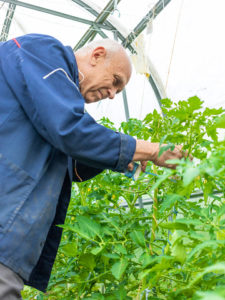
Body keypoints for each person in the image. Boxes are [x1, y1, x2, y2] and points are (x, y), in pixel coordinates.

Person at [0, 34, 183, 299]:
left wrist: (123, 158)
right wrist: (151, 149)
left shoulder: (55, 101)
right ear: (97, 55)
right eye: (115, 82)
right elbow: (70, 131)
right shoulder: (42, 53)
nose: (111, 95)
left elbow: (71, 165)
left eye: (118, 93)